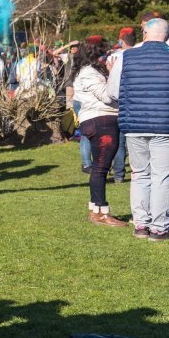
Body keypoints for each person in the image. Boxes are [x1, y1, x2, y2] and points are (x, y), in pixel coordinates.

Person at [108, 18, 169, 240]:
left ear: (144, 34)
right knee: (163, 177)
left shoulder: (126, 56)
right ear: (168, 35)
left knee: (140, 174)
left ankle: (141, 224)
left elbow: (113, 92)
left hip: (134, 125)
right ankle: (160, 228)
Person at [73, 37, 128, 227]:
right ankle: (101, 212)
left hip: (100, 120)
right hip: (101, 120)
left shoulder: (91, 71)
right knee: (101, 167)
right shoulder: (89, 73)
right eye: (104, 53)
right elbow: (106, 96)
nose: (106, 57)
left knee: (100, 167)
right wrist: (113, 75)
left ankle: (96, 209)